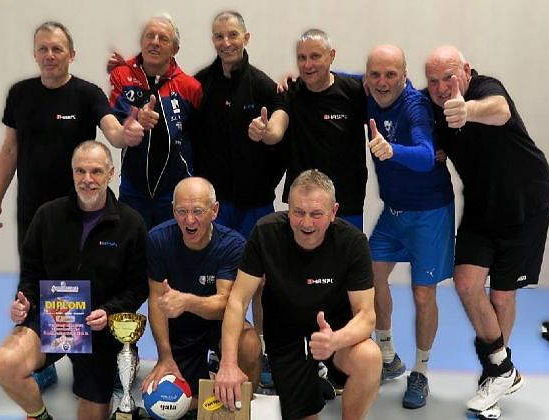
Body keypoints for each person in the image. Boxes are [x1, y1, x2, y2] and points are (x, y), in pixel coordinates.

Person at [0, 21, 144, 392]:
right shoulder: (20, 94)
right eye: (43, 48)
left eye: (57, 49)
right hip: (35, 210)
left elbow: (113, 130)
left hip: (83, 210)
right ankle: (44, 358)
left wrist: (126, 134)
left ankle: (111, 351)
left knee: (96, 280)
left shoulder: (87, 94)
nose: (50, 55)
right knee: (37, 280)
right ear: (35, 53)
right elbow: (10, 149)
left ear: (71, 54)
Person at [425, 45, 549, 415]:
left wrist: (467, 111)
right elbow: (389, 88)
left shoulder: (485, 88)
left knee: (501, 295)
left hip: (525, 203)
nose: (441, 88)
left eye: (448, 77)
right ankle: (503, 369)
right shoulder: (431, 104)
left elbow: (500, 110)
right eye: (433, 81)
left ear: (466, 70)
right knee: (466, 283)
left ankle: (493, 379)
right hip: (482, 205)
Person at [0, 141, 149, 420]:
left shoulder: (131, 224)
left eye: (96, 171)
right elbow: (31, 273)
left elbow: (138, 286)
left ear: (111, 173)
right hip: (51, 318)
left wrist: (109, 312)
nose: (88, 179)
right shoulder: (47, 216)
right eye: (80, 171)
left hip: (98, 327)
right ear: (72, 172)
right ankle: (39, 415)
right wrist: (24, 302)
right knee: (5, 363)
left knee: (92, 415)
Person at [215, 169, 381, 419]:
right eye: (298, 212)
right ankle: (310, 384)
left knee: (369, 357)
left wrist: (335, 340)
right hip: (286, 335)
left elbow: (366, 315)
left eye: (316, 214)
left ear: (333, 212)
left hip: (336, 332)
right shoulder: (266, 233)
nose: (306, 223)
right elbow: (237, 301)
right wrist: (228, 364)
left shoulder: (352, 242)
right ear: (288, 208)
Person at [193, 10, 288, 390]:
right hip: (216, 208)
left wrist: (266, 134)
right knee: (216, 282)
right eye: (219, 36)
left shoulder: (264, 86)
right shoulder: (200, 85)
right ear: (213, 40)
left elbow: (279, 133)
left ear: (246, 37)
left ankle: (259, 350)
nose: (226, 42)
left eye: (232, 35)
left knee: (260, 283)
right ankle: (215, 348)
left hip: (255, 205)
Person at [363, 45, 455, 409]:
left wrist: (392, 151)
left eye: (391, 75)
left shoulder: (415, 105)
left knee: (422, 293)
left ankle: (421, 371)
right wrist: (293, 79)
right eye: (375, 74)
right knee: (370, 276)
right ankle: (388, 357)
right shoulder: (368, 91)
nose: (382, 82)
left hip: (430, 213)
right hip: (394, 213)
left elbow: (425, 155)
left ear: (404, 76)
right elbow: (336, 79)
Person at [142, 177, 261, 412]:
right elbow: (156, 302)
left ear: (214, 211)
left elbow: (226, 305)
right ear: (173, 211)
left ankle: (242, 405)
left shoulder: (233, 245)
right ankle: (210, 393)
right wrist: (164, 356)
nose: (189, 220)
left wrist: (186, 301)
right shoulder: (158, 240)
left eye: (197, 211)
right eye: (182, 211)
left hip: (220, 325)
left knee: (249, 344)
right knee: (172, 401)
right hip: (180, 328)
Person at [251, 29, 368, 230]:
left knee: (347, 251)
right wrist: (264, 131)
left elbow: (387, 89)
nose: (307, 65)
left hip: (347, 201)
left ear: (331, 56)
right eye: (301, 58)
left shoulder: (354, 91)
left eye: (315, 56)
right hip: (303, 204)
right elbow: (276, 130)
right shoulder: (290, 91)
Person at [109, 14, 202, 230]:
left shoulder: (190, 87)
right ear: (141, 42)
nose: (155, 42)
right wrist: (135, 117)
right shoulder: (121, 76)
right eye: (150, 36)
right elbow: (114, 119)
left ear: (175, 49)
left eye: (163, 38)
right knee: (133, 246)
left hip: (175, 193)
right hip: (133, 190)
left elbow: (202, 137)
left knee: (171, 248)